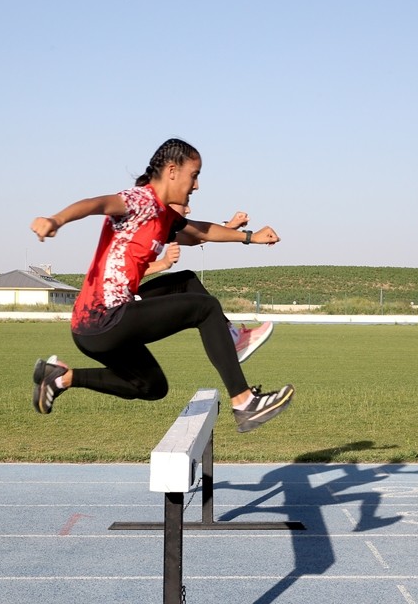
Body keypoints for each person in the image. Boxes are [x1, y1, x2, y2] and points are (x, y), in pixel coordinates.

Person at [28, 138, 293, 433]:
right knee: (205, 309)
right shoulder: (139, 200)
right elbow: (97, 204)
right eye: (195, 175)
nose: (196, 186)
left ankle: (60, 378)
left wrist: (250, 237)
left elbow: (198, 232)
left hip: (99, 323)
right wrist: (57, 219)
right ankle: (244, 403)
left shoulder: (163, 215)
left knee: (152, 383)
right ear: (172, 171)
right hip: (102, 318)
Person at [146, 205, 275, 364]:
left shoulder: (158, 228)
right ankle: (232, 339)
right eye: (185, 202)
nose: (188, 209)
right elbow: (120, 272)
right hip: (117, 306)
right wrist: (163, 264)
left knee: (150, 385)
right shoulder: (139, 220)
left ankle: (233, 343)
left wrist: (229, 228)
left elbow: (195, 237)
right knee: (190, 284)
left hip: (126, 300)